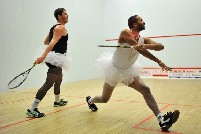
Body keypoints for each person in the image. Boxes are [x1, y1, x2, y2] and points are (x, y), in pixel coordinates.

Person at [86, 15, 180, 131]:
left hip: (128, 71)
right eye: (141, 20)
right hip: (114, 69)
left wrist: (145, 45)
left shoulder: (143, 39)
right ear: (134, 24)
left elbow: (160, 46)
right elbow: (140, 50)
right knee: (104, 99)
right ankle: (90, 101)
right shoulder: (125, 32)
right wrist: (147, 52)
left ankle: (162, 120)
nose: (143, 21)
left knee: (146, 89)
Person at [26, 8, 69, 118]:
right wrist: (43, 56)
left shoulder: (54, 27)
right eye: (65, 14)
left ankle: (57, 100)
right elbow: (52, 43)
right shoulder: (60, 27)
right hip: (56, 59)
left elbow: (46, 41)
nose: (67, 15)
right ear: (60, 16)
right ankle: (32, 108)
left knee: (59, 79)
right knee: (49, 83)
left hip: (55, 57)